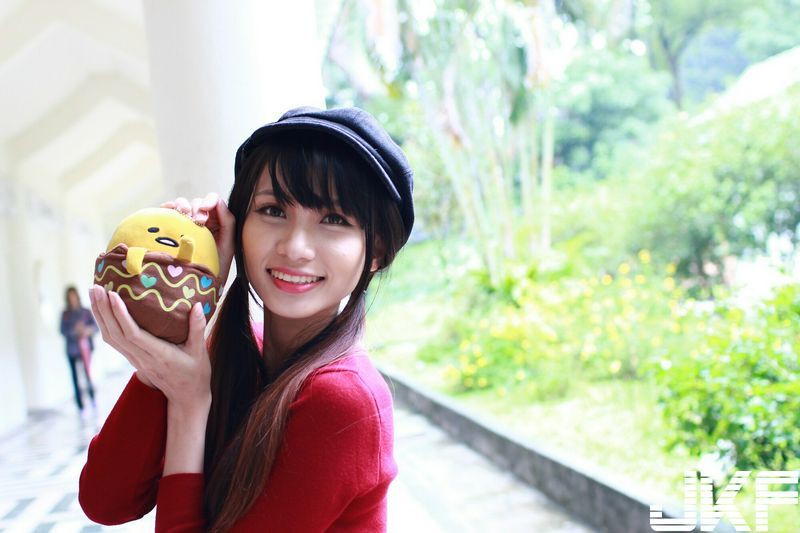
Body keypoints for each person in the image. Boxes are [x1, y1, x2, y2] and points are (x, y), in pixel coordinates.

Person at [79, 106, 414, 532]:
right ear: (238, 228)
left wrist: (188, 405)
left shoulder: (344, 400)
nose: (295, 247)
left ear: (377, 251)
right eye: (273, 210)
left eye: (334, 220)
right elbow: (106, 501)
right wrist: (176, 329)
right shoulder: (235, 353)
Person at [60, 285, 98, 411]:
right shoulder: (65, 314)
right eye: (70, 296)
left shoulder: (86, 312)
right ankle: (80, 405)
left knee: (88, 375)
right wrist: (75, 332)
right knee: (75, 378)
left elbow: (95, 327)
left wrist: (86, 330)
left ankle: (93, 398)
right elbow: (63, 330)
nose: (72, 298)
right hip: (72, 350)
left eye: (74, 295)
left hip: (86, 349)